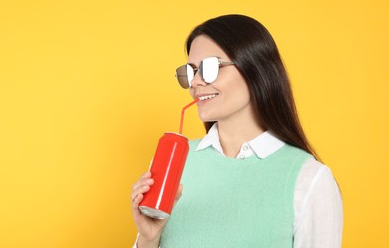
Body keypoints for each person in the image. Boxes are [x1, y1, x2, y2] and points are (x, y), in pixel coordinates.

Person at [131, 14, 343, 248]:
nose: (195, 83)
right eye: (191, 71)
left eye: (210, 67)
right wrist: (148, 239)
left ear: (256, 69)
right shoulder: (173, 163)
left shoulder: (310, 179)